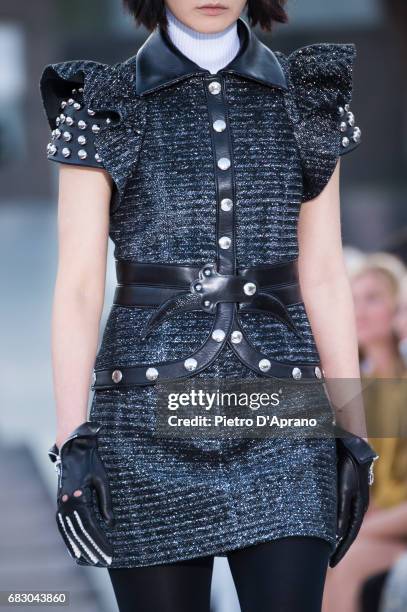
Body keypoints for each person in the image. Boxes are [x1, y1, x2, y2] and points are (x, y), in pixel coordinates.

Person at [39, 1, 377, 611]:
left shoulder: (305, 100)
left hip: (285, 417)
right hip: (143, 420)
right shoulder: (104, 102)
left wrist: (356, 432)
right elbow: (80, 287)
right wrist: (73, 441)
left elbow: (324, 274)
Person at [323, 253, 407, 612]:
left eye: (373, 298)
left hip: (395, 518)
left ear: (397, 308)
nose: (360, 310)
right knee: (327, 559)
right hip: (380, 518)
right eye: (354, 299)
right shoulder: (357, 391)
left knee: (346, 558)